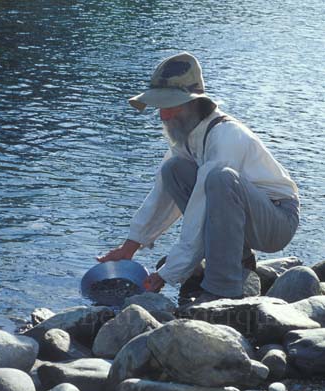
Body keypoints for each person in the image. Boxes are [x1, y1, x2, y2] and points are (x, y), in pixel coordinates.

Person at [98, 52, 299, 302]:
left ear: (194, 103)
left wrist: (169, 271)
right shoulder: (189, 137)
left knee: (220, 178)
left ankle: (222, 288)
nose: (163, 116)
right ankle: (239, 258)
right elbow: (162, 195)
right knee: (172, 169)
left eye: (170, 106)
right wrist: (130, 247)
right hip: (246, 214)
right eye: (160, 106)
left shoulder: (226, 136)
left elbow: (199, 209)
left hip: (277, 220)